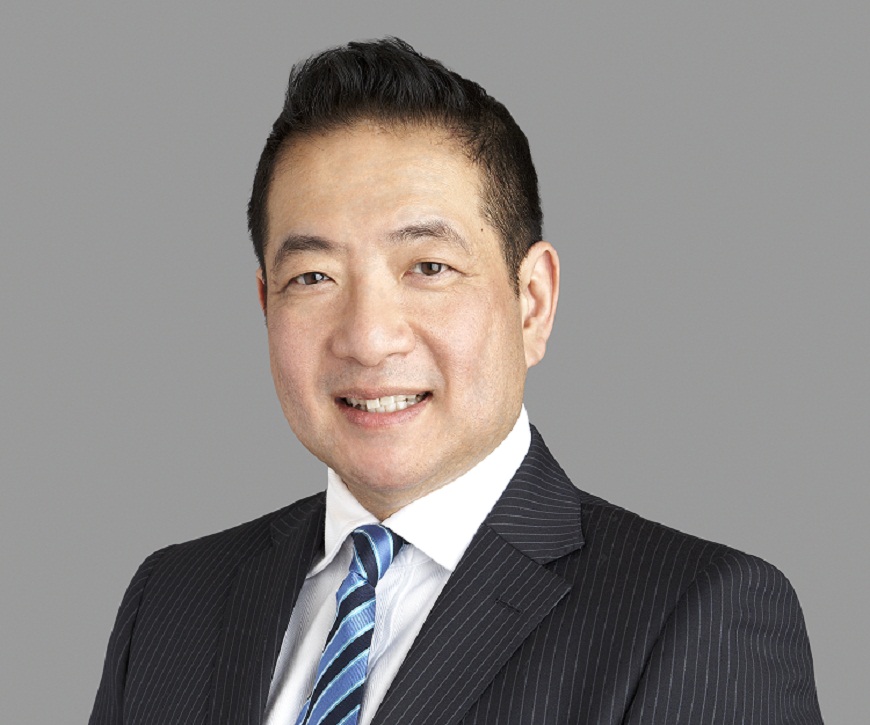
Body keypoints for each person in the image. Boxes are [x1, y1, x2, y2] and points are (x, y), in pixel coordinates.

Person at [89, 38, 823, 725]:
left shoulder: (698, 615)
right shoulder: (171, 602)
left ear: (532, 301)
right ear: (265, 304)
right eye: (313, 277)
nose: (368, 337)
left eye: (429, 268)